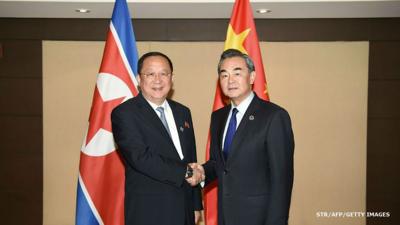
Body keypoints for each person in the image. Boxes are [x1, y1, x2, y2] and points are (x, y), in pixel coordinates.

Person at [188, 49, 294, 225]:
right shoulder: (218, 117)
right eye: (224, 75)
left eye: (237, 73)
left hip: (259, 218)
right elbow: (220, 163)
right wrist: (202, 172)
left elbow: (281, 179)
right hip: (225, 217)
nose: (230, 80)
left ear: (252, 77)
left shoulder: (274, 116)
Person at [111, 52, 203, 225]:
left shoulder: (183, 112)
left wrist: (196, 204)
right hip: (149, 211)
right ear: (139, 78)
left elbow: (191, 157)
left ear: (172, 78)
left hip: (184, 209)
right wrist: (186, 172)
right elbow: (140, 158)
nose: (158, 80)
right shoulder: (125, 113)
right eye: (150, 74)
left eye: (164, 73)